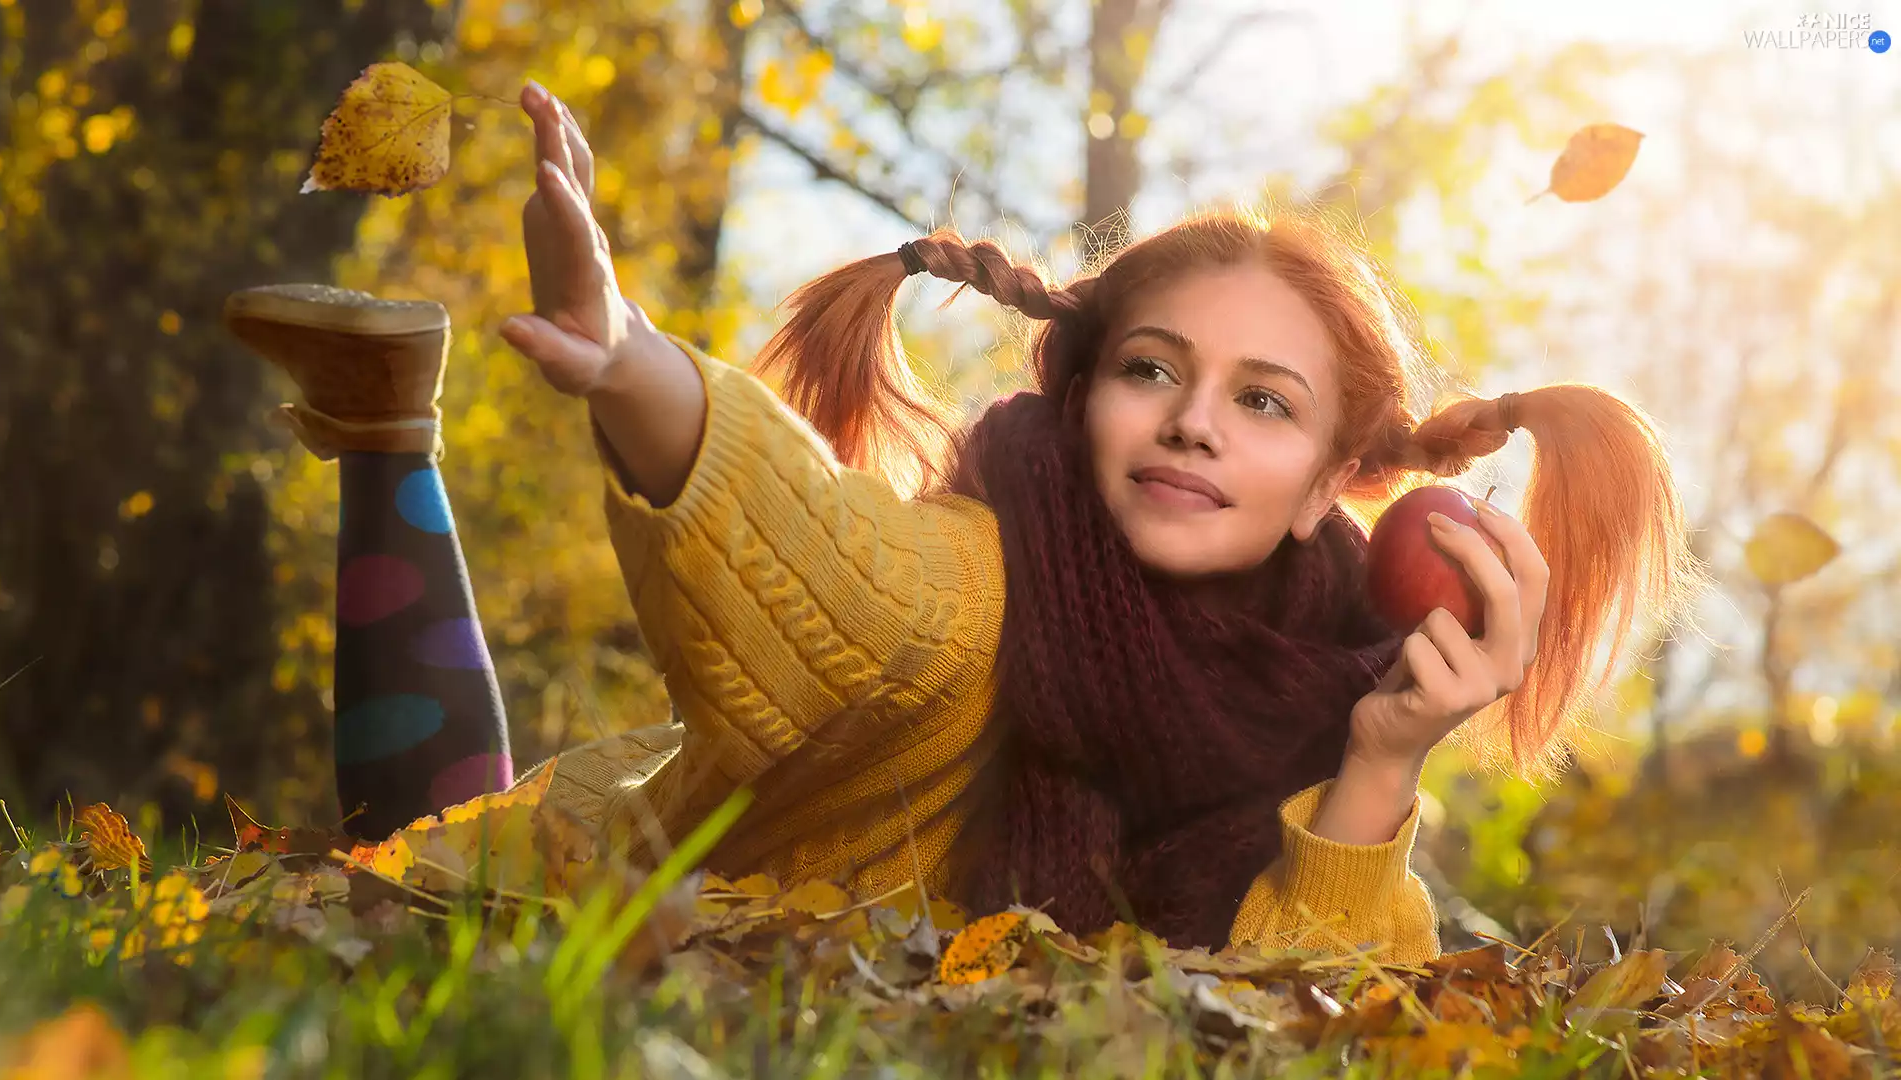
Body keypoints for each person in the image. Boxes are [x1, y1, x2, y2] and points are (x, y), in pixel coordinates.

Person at [225, 82, 1699, 963]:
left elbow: (1305, 1010)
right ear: (1080, 394)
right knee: (412, 860)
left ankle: (380, 417)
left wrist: (1383, 762)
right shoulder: (979, 584)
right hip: (570, 882)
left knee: (424, 813)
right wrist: (633, 363)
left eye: (1264, 404)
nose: (1192, 421)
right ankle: (390, 429)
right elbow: (808, 549)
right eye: (1152, 371)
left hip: (659, 866)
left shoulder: (1323, 681)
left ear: (1331, 480)